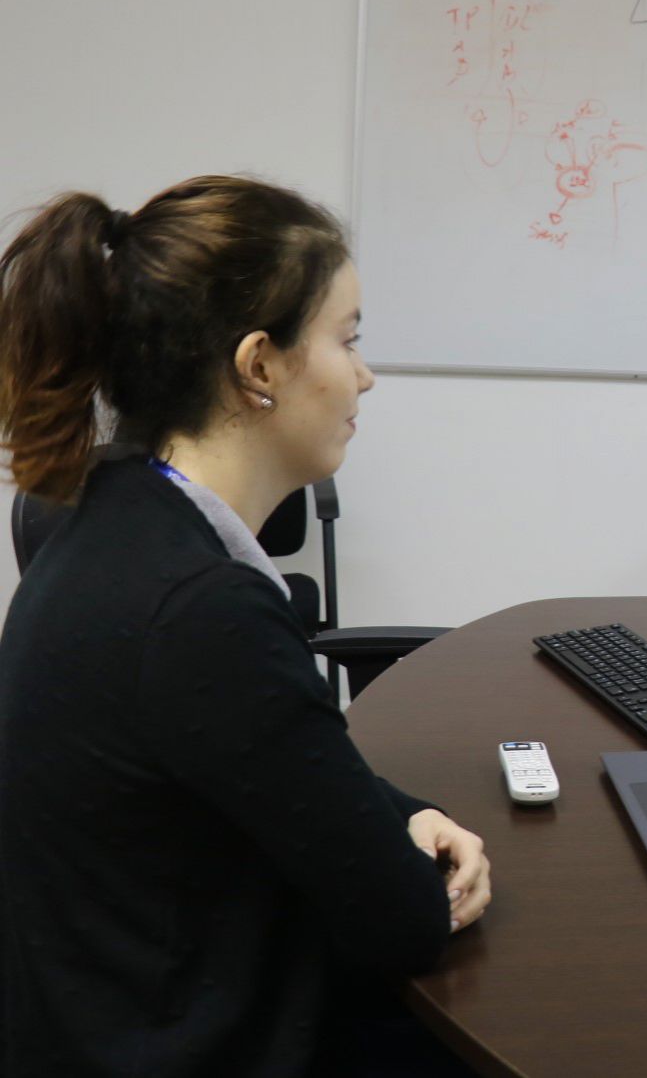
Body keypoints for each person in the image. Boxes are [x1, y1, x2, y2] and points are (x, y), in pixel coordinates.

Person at [0, 176, 489, 1076]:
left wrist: (411, 813)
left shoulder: (108, 513)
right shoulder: (200, 608)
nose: (364, 375)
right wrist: (418, 855)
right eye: (347, 340)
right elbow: (405, 922)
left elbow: (273, 767)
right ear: (259, 365)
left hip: (107, 1011)